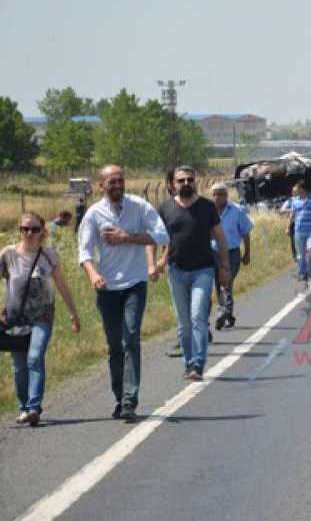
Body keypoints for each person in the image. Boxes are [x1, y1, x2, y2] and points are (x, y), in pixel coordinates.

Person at [79, 165, 169, 422]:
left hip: (134, 284)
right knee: (115, 346)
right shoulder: (94, 214)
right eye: (112, 182)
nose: (117, 185)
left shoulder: (139, 206)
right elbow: (84, 251)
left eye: (120, 180)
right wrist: (93, 275)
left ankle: (130, 400)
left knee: (130, 338)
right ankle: (120, 396)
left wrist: (128, 238)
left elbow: (161, 235)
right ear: (101, 185)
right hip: (107, 288)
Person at [2, 212, 81, 426]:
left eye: (34, 229)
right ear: (19, 230)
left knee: (34, 357)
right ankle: (24, 407)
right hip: (15, 319)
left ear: (42, 231)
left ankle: (34, 407)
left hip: (42, 316)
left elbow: (62, 286)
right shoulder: (8, 254)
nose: (29, 233)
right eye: (25, 229)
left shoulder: (49, 255)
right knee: (19, 366)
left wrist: (73, 314)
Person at [156, 166, 230, 382]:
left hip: (203, 270)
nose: (186, 183)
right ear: (173, 184)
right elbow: (159, 238)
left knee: (198, 316)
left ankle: (198, 364)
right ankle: (188, 362)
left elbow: (221, 238)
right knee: (184, 322)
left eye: (190, 179)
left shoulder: (207, 207)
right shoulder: (165, 208)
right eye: (181, 180)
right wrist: (158, 261)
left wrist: (224, 267)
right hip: (176, 271)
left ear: (195, 181)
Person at [210, 182, 253, 330]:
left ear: (226, 195)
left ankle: (223, 312)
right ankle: (228, 314)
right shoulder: (208, 211)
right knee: (219, 284)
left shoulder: (237, 211)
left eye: (220, 194)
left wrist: (247, 253)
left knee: (226, 282)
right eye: (214, 194)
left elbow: (246, 233)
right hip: (214, 253)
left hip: (232, 253)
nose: (217, 197)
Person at [286, 181, 311, 281]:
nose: (294, 190)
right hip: (298, 230)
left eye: (296, 188)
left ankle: (310, 271)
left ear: (302, 189)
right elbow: (292, 215)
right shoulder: (295, 201)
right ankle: (302, 274)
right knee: (300, 255)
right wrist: (287, 227)